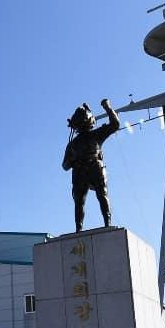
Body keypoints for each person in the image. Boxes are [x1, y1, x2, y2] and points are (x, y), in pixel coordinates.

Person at [61, 98, 120, 233]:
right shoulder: (73, 144)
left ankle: (107, 224)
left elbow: (115, 124)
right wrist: (74, 160)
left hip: (95, 168)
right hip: (80, 172)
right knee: (80, 201)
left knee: (101, 195)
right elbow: (64, 165)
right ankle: (79, 229)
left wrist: (108, 108)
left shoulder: (96, 135)